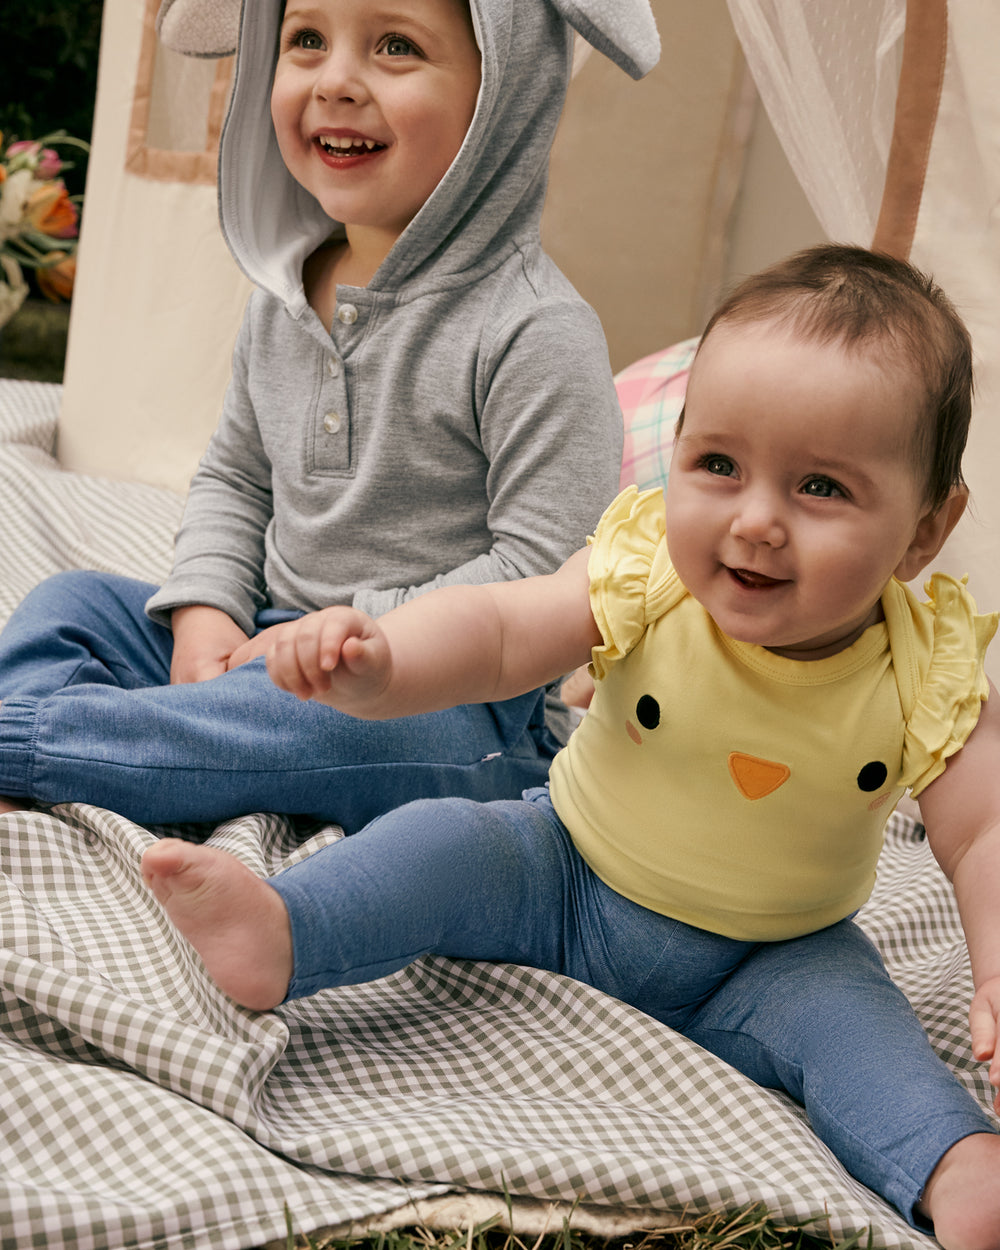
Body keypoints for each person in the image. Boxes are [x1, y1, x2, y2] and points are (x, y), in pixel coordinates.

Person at [143, 245, 1000, 1246]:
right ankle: (285, 931)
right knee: (437, 844)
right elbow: (503, 629)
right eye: (717, 464)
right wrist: (384, 661)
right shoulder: (648, 572)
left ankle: (956, 1165)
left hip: (776, 953)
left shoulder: (923, 665)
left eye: (820, 488)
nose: (756, 521)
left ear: (923, 531)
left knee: (869, 1038)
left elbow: (980, 832)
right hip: (566, 870)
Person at [0, 0, 660, 830]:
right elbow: (236, 478)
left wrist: (350, 643)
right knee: (73, 606)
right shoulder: (284, 292)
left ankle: (38, 745)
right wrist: (208, 614)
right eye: (306, 39)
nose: (337, 80)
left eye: (395, 46)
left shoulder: (534, 331)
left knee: (300, 722)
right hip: (269, 645)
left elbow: (546, 572)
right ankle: (121, 745)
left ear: (504, 93)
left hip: (450, 703)